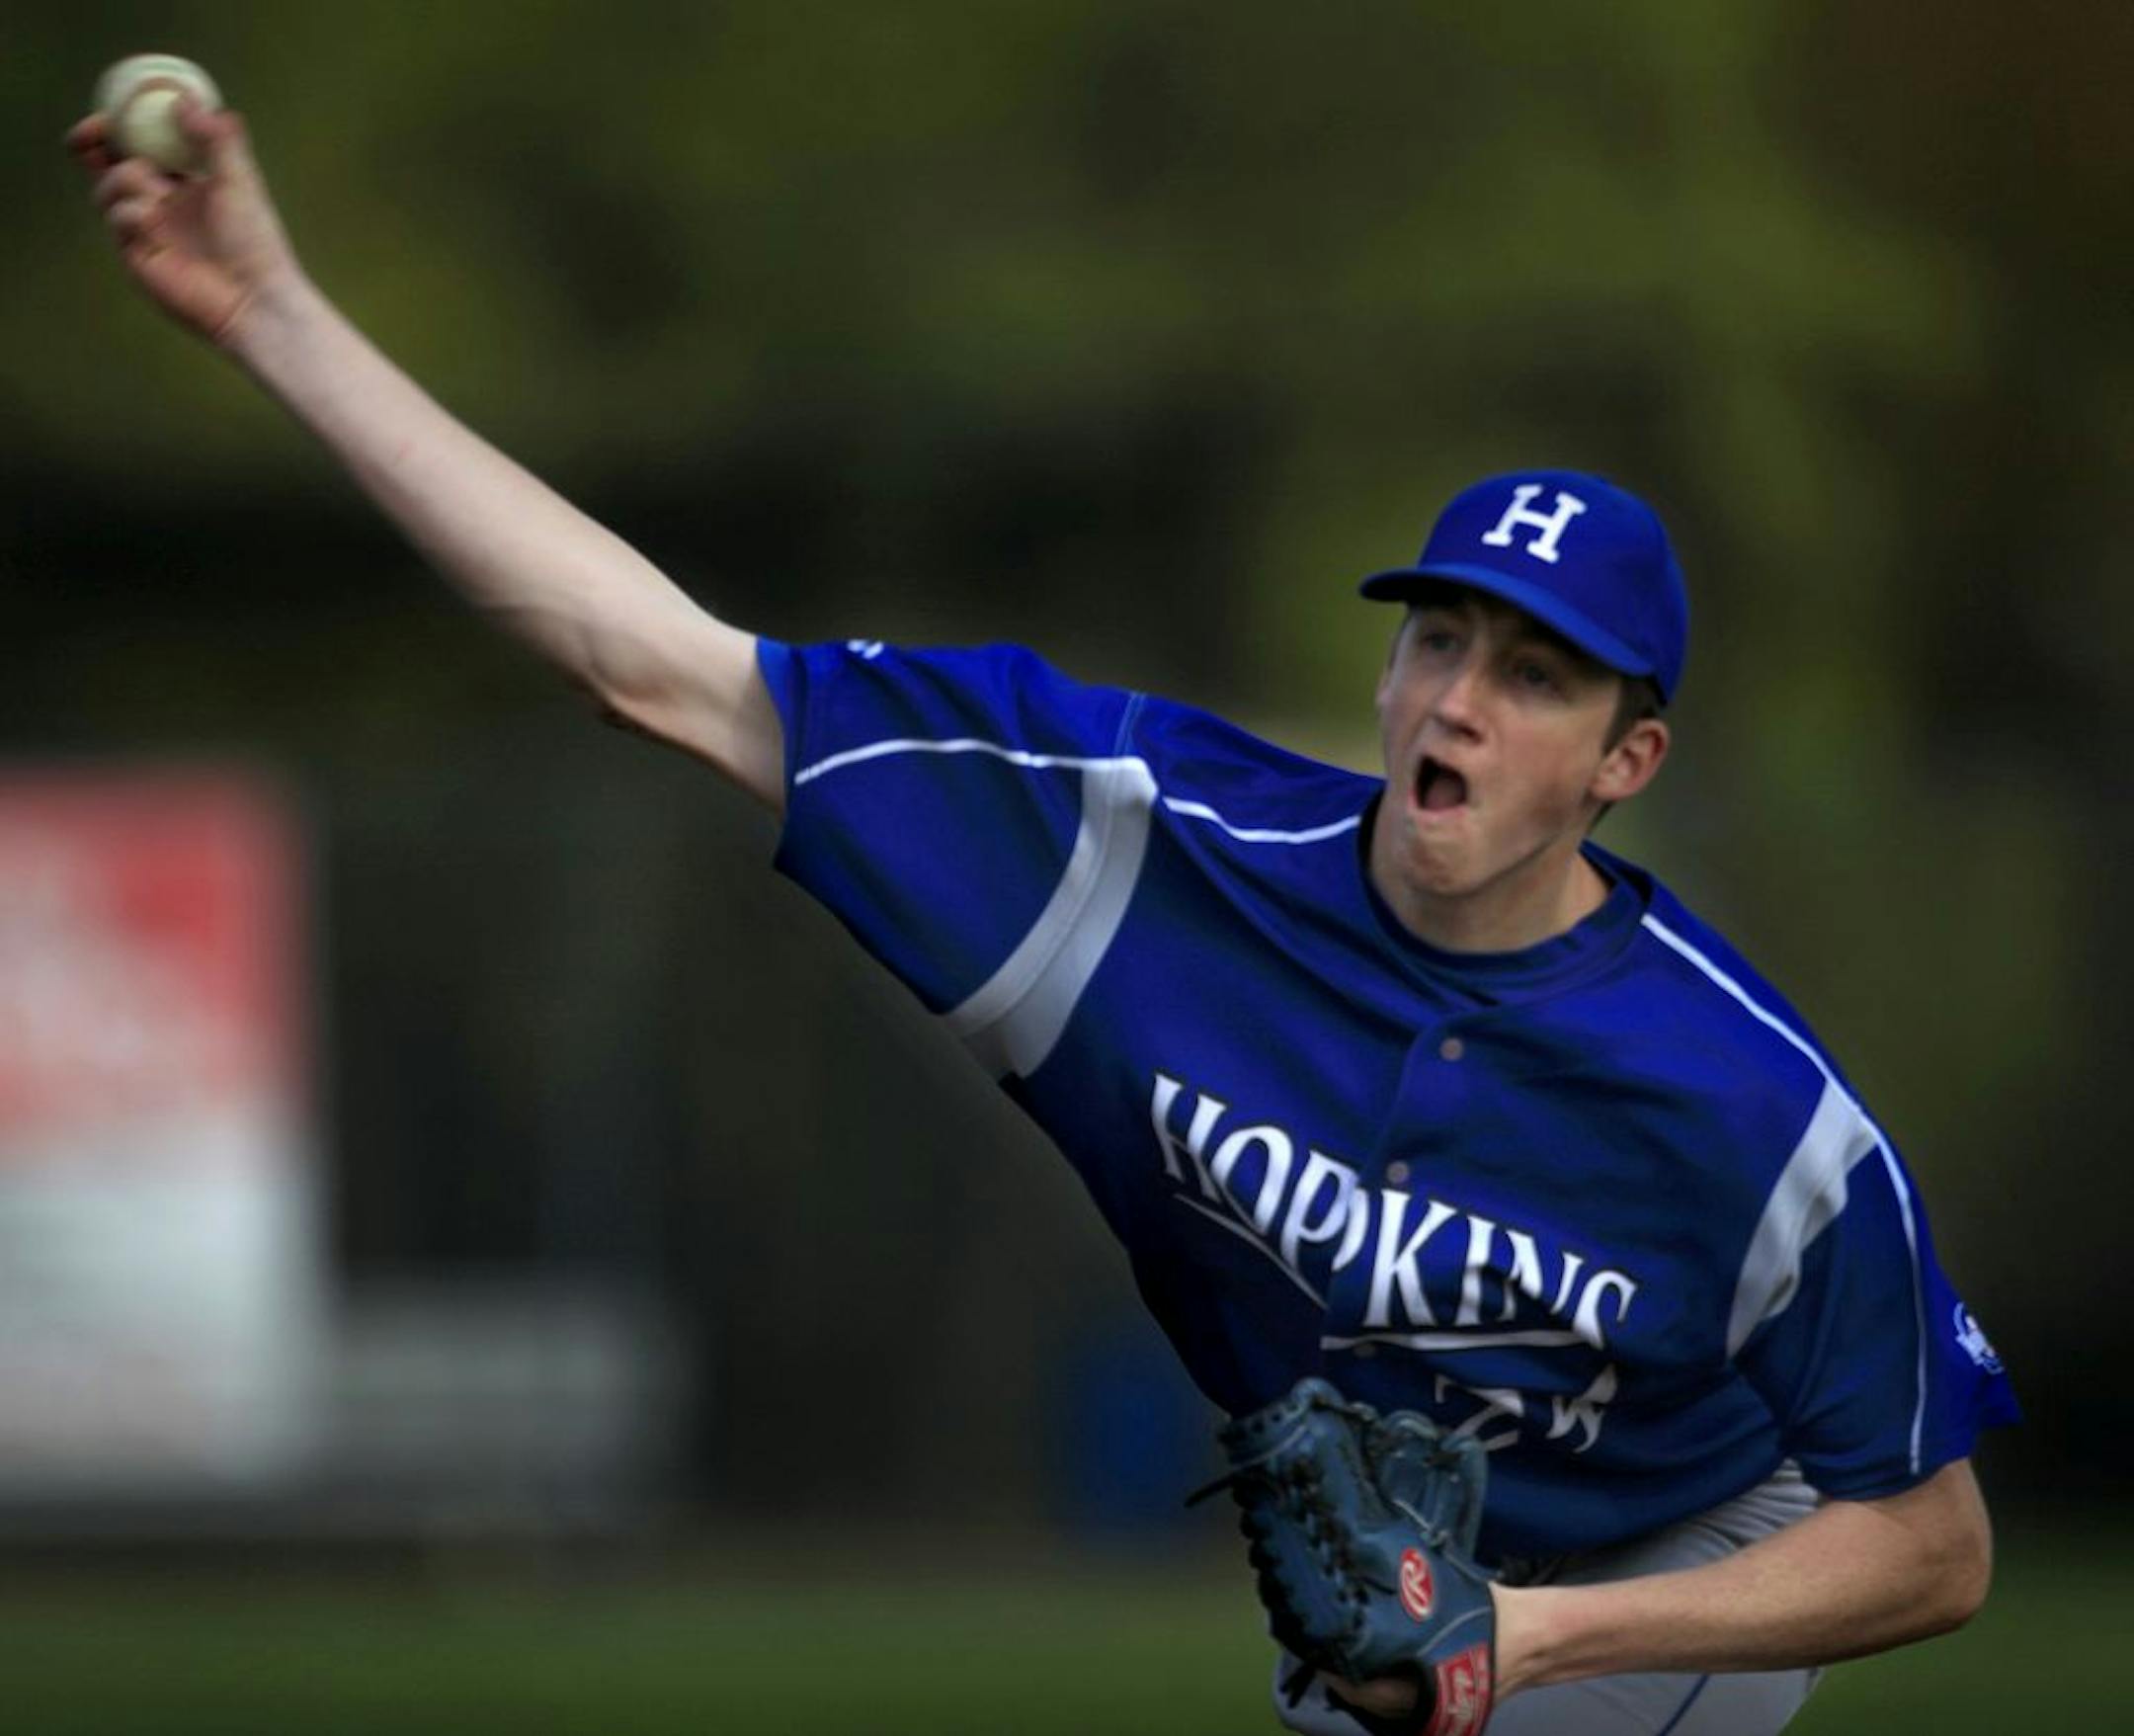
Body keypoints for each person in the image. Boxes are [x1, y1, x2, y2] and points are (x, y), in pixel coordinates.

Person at [70, 96, 2016, 1736]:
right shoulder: (1122, 857)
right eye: (1440, 637)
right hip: (1396, 1597)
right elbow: (656, 666)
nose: (1457, 700)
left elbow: (1935, 1548)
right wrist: (272, 315)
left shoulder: (1744, 1109)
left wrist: (1550, 1634)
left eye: (1538, 675)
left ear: (1628, 762)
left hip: (1670, 1562)